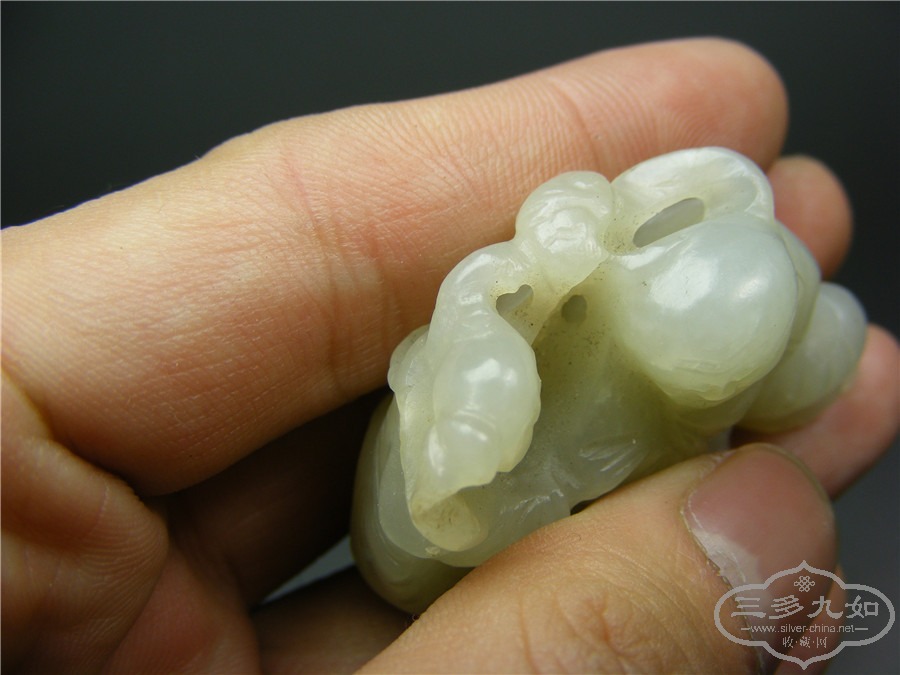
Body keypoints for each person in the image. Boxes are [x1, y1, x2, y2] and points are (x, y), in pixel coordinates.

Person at [3, 37, 897, 674]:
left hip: (493, 500)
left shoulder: (678, 395)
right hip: (456, 471)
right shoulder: (575, 259)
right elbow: (560, 232)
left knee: (476, 470)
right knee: (468, 423)